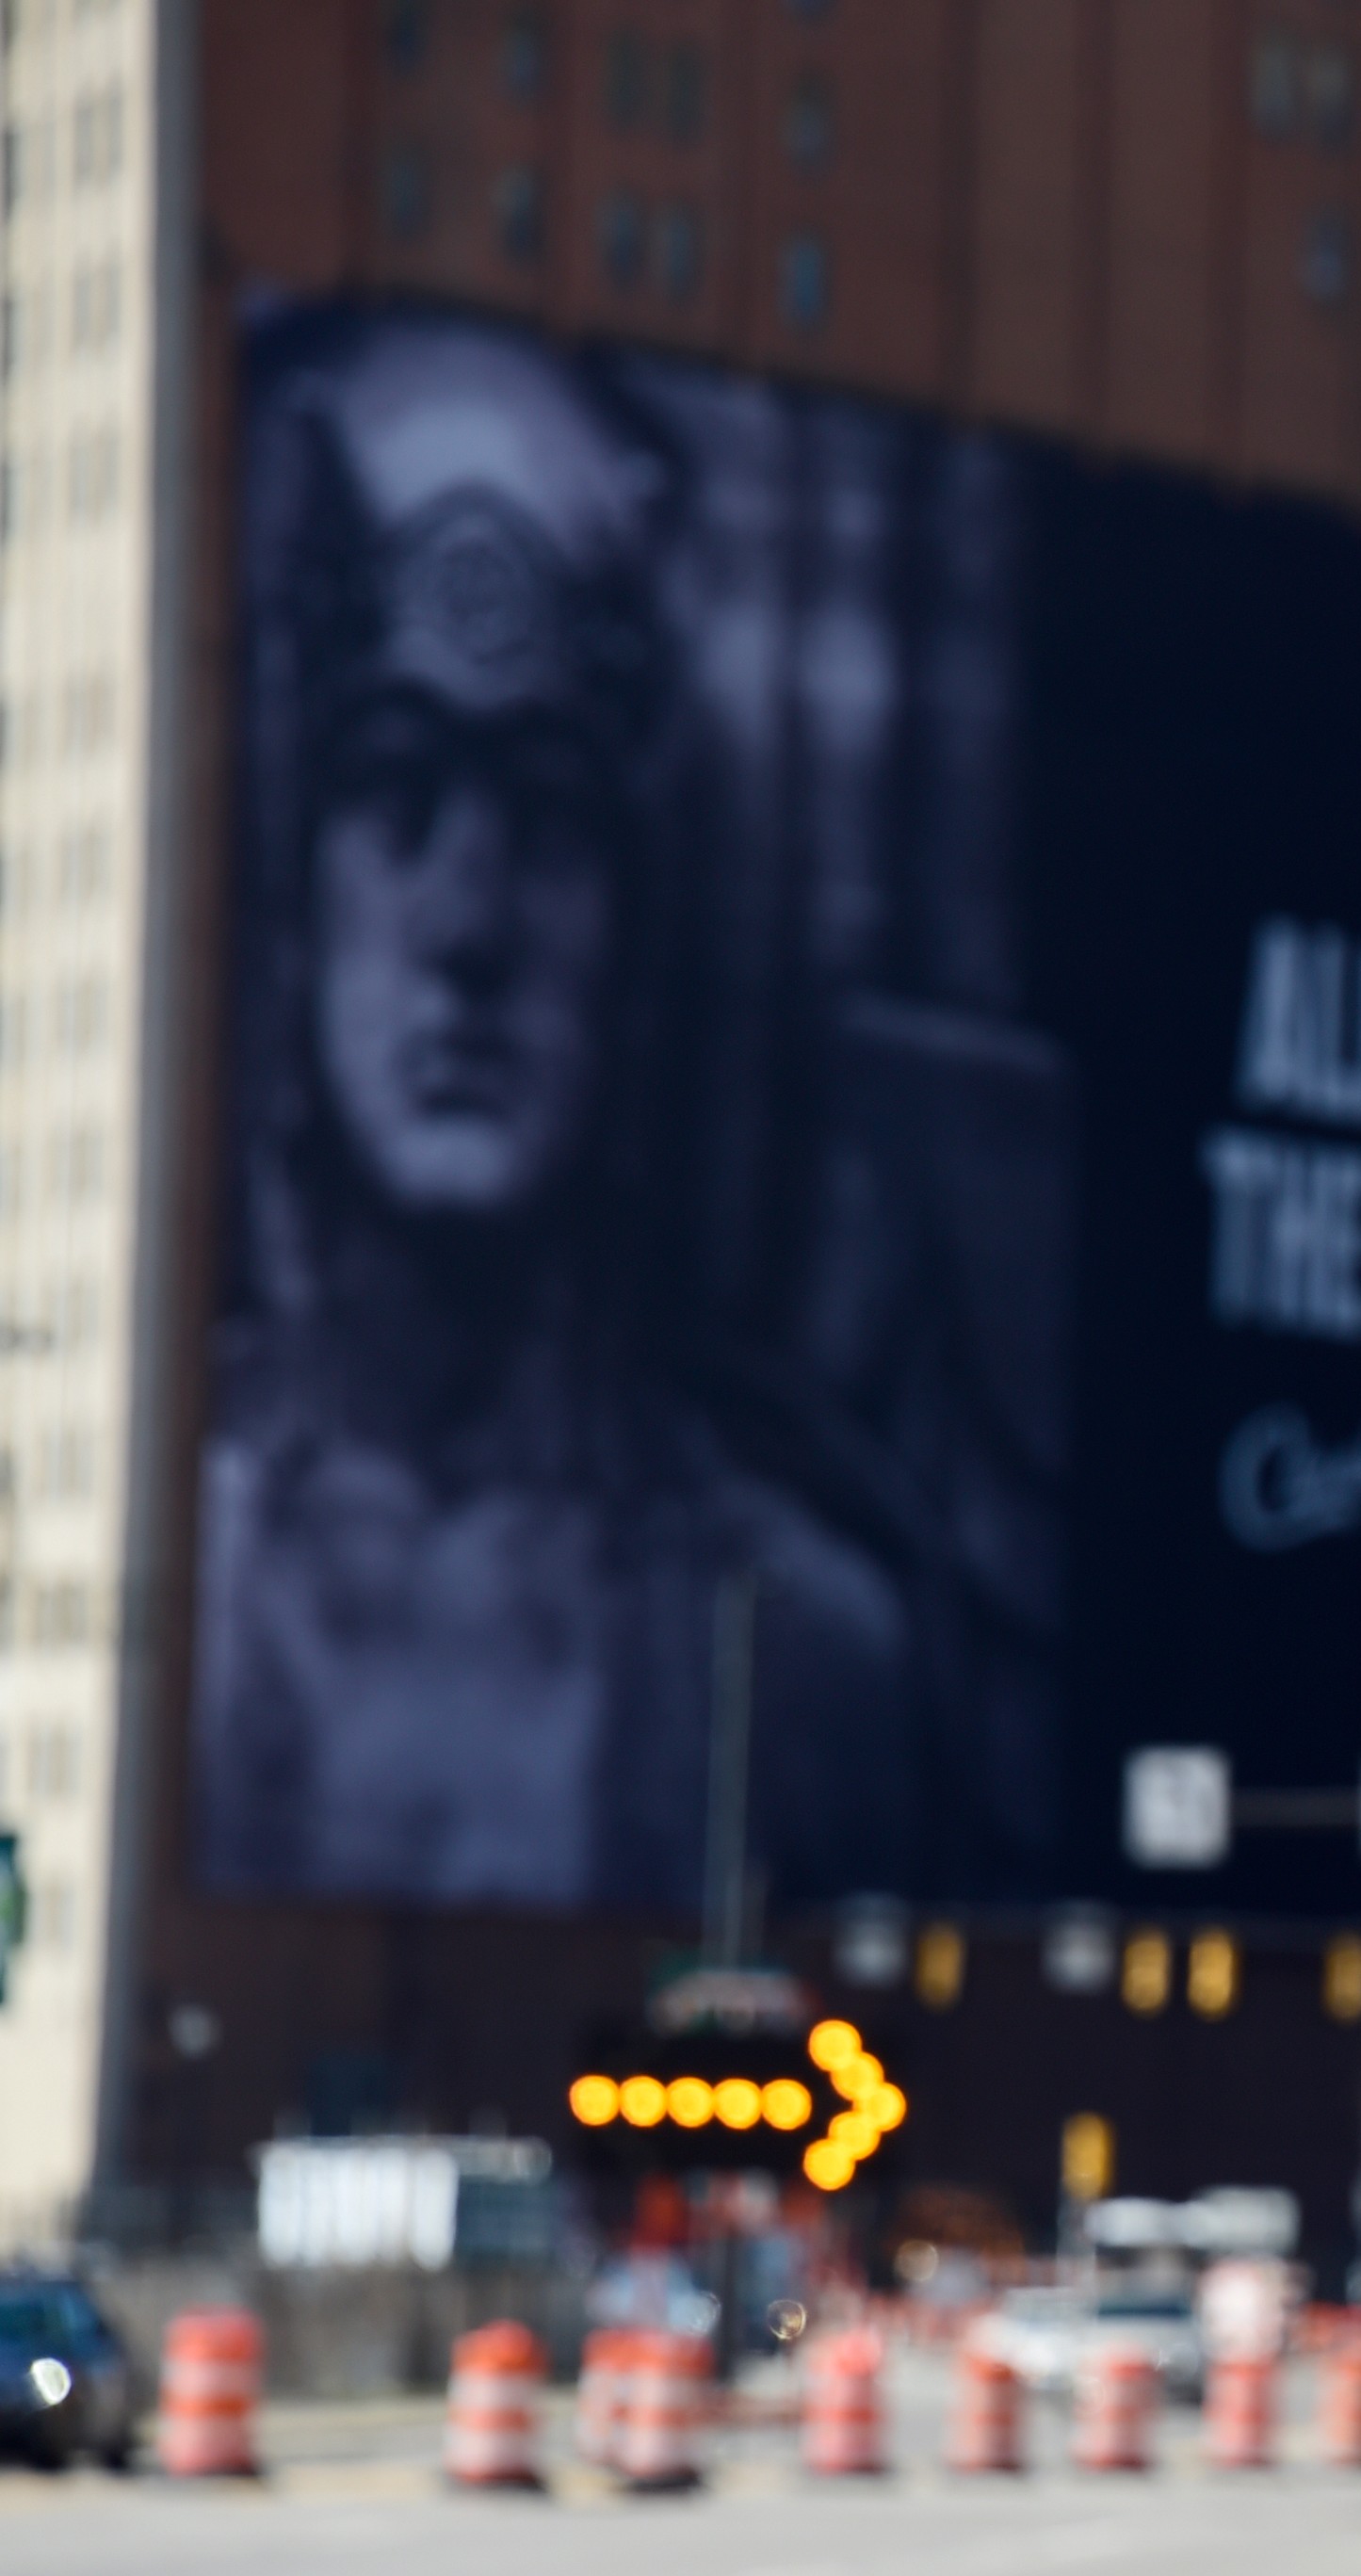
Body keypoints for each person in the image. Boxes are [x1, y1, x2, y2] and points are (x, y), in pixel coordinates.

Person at [198, 316, 918, 1914]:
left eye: (548, 813)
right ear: (297, 901)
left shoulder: (810, 1641)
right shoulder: (160, 1582)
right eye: (396, 795)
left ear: (638, 928)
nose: (471, 925)